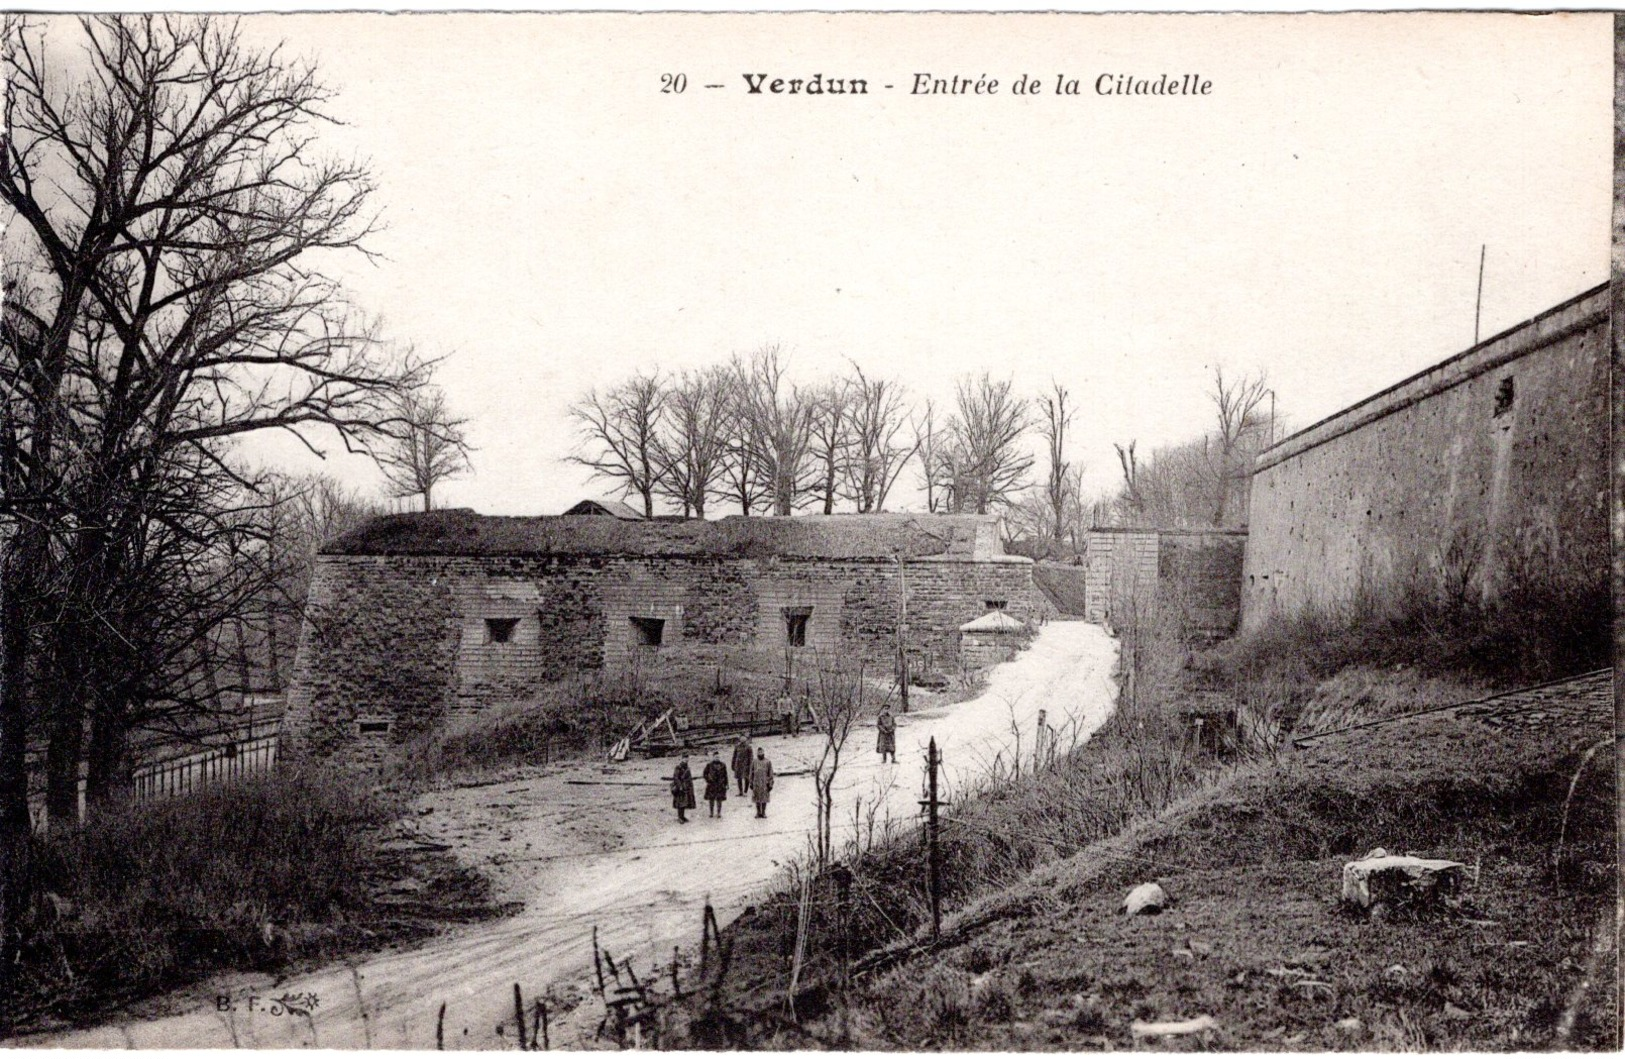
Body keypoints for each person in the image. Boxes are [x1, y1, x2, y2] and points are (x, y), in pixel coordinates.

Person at [670, 754, 697, 824]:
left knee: (685, 802)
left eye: (687, 759)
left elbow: (689, 778)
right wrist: (680, 786)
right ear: (682, 759)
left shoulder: (687, 767)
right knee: (680, 802)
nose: (686, 760)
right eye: (685, 759)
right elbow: (676, 777)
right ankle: (679, 817)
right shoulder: (678, 767)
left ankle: (682, 816)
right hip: (681, 787)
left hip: (686, 787)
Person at [749, 746, 775, 818]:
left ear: (764, 753)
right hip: (756, 782)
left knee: (764, 798)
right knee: (757, 797)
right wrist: (751, 782)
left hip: (764, 783)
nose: (760, 753)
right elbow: (751, 773)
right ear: (757, 753)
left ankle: (763, 812)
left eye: (761, 752)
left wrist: (770, 783)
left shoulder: (768, 762)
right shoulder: (754, 762)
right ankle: (758, 812)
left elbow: (771, 773)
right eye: (759, 752)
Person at [702, 754, 729, 818]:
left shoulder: (723, 765)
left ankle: (719, 813)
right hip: (712, 785)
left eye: (718, 757)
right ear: (713, 757)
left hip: (720, 785)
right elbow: (705, 774)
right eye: (716, 757)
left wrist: (726, 784)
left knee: (719, 799)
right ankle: (711, 813)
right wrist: (708, 780)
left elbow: (725, 775)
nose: (717, 758)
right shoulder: (709, 765)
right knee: (711, 799)